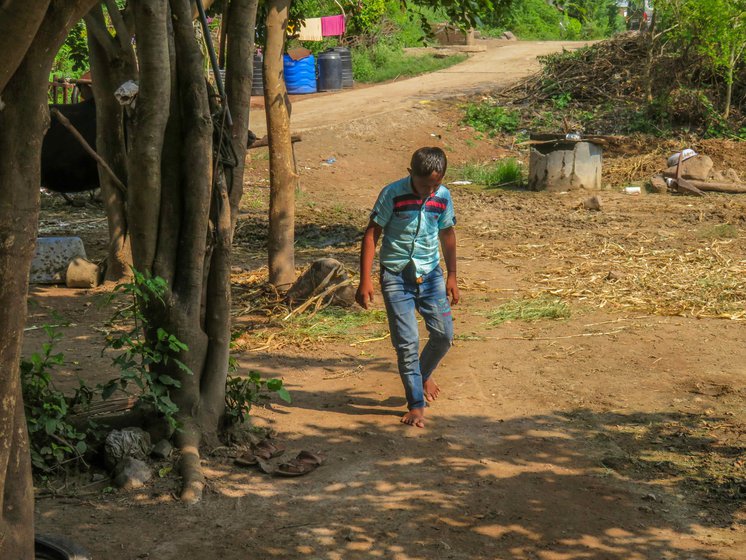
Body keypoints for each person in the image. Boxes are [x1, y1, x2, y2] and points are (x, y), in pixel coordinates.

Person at [356, 147, 459, 428]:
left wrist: (452, 275)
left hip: (431, 276)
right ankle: (416, 404)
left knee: (443, 335)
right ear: (410, 173)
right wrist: (364, 279)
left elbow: (447, 234)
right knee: (407, 344)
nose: (429, 190)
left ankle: (423, 373)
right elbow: (371, 235)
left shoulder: (443, 197)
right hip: (396, 277)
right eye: (424, 184)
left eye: (435, 185)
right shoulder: (393, 194)